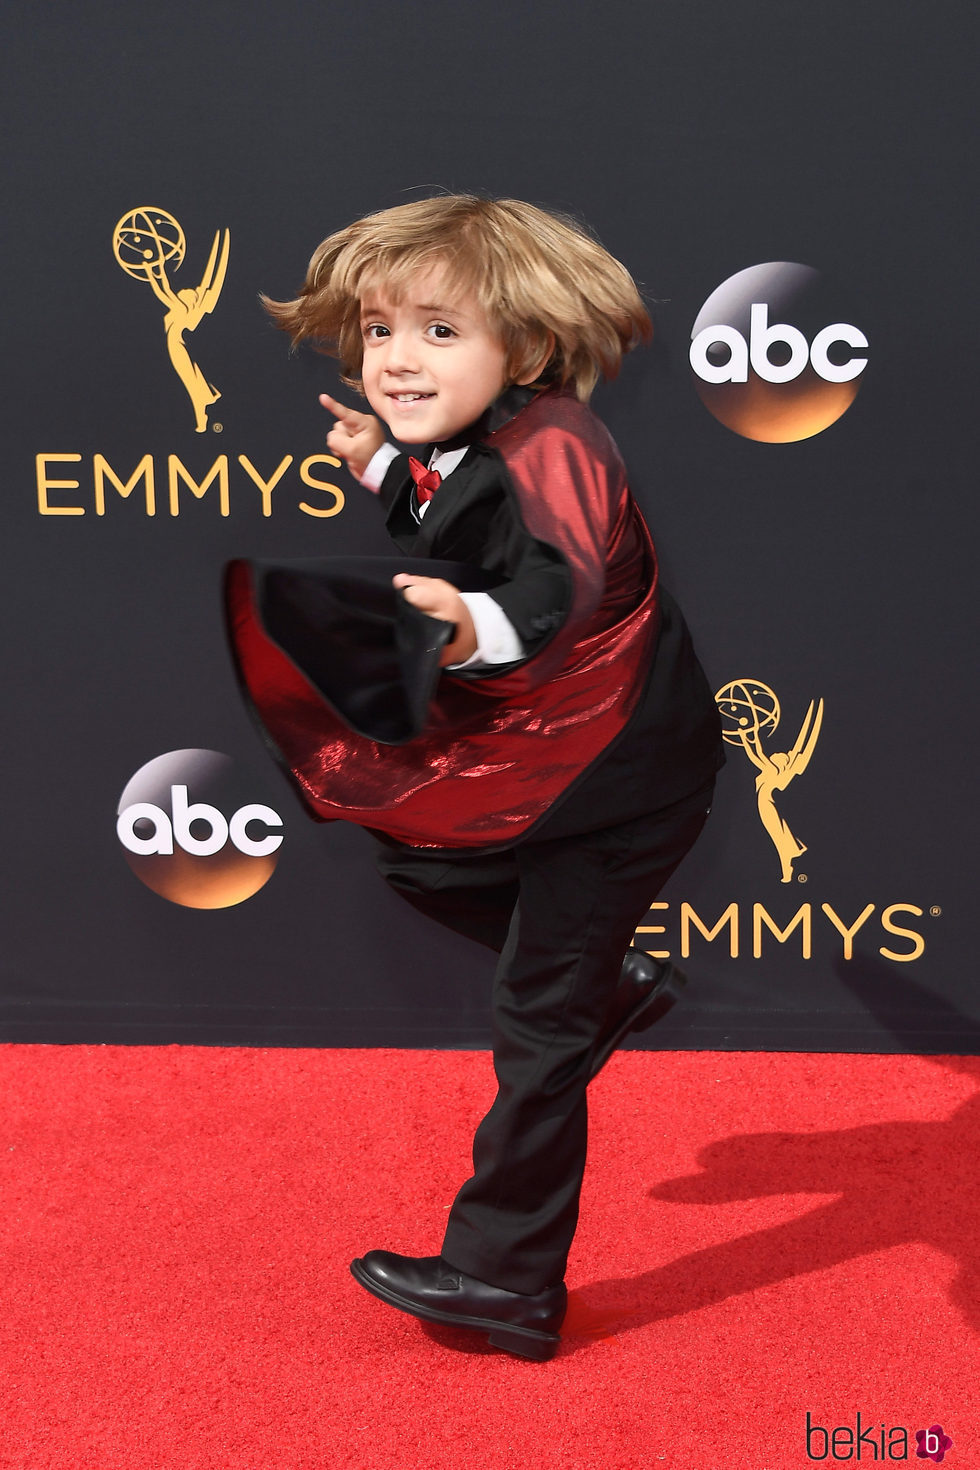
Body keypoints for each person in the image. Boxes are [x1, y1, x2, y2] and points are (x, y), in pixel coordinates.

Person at [225, 195, 723, 1360]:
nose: (397, 358)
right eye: (381, 328)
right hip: (552, 759)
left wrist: (465, 626)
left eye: (439, 331)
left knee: (534, 1034)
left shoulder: (554, 444)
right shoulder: (466, 442)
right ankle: (606, 988)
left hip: (619, 778)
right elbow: (464, 511)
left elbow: (553, 584)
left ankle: (504, 1281)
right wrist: (379, 473)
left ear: (528, 351)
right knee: (415, 854)